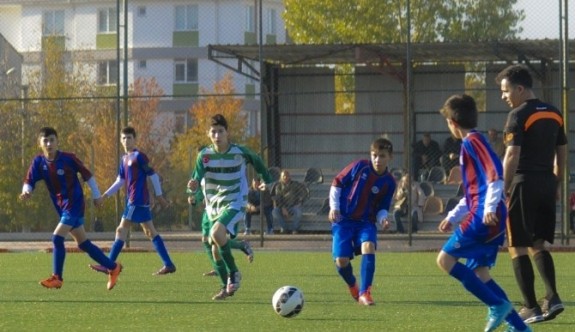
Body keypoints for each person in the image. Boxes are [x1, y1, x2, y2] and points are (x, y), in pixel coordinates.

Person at [436, 94, 530, 332]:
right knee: (480, 273)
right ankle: (520, 328)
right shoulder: (473, 142)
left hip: (486, 215)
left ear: (453, 123)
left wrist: (488, 209)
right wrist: (453, 216)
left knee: (445, 260)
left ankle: (497, 306)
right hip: (488, 212)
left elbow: (495, 173)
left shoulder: (472, 141)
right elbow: (476, 191)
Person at [497, 64, 567, 324]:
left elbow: (512, 155)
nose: (503, 96)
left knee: (516, 246)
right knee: (538, 243)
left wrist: (502, 190)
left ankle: (531, 307)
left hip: (522, 183)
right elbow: (562, 154)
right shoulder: (554, 112)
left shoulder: (517, 115)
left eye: (505, 91)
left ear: (520, 88)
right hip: (547, 183)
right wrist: (557, 185)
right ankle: (552, 297)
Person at [20, 127, 122, 290]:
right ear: (39, 143)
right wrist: (26, 191)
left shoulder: (68, 159)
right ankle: (113, 267)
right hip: (62, 207)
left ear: (57, 141)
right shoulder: (39, 162)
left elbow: (87, 175)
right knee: (83, 244)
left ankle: (57, 278)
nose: (49, 143)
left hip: (74, 204)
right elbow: (29, 180)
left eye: (52, 140)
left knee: (57, 238)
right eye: (45, 140)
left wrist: (96, 196)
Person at [187, 114, 272, 300]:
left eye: (220, 131)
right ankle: (226, 287)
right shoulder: (205, 156)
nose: (217, 135)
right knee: (215, 248)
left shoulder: (239, 152)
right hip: (214, 206)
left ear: (227, 133)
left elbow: (258, 162)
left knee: (216, 234)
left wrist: (267, 181)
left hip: (235, 201)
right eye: (213, 132)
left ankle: (234, 273)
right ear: (208, 134)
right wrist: (192, 190)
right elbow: (195, 179)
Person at [89, 126, 176, 276]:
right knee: (150, 231)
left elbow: (153, 175)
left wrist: (160, 196)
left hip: (136, 200)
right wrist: (104, 196)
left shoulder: (139, 156)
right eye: (123, 138)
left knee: (121, 230)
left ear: (135, 139)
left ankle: (108, 265)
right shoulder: (124, 159)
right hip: (137, 200)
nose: (126, 141)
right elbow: (120, 181)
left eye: (129, 138)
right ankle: (168, 264)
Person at [329, 137, 396, 306]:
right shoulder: (359, 166)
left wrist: (383, 219)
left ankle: (365, 292)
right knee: (341, 261)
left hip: (365, 222)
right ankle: (353, 285)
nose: (377, 160)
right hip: (343, 220)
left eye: (382, 156)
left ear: (390, 157)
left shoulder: (389, 182)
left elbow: (383, 207)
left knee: (369, 246)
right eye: (374, 155)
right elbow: (337, 183)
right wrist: (334, 207)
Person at [188, 181, 255, 300]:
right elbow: (197, 189)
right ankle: (239, 247)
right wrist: (194, 199)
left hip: (222, 210)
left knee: (214, 244)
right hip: (209, 212)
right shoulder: (203, 167)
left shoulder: (222, 167)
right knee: (209, 242)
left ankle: (226, 285)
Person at [271, 170, 307, 234]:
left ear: (289, 177)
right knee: (275, 211)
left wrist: (300, 201)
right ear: (281, 177)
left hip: (293, 206)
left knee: (298, 211)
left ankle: (294, 229)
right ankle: (284, 228)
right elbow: (278, 198)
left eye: (287, 175)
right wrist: (283, 208)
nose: (285, 177)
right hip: (281, 207)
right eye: (283, 176)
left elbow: (304, 192)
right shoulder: (278, 186)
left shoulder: (295, 184)